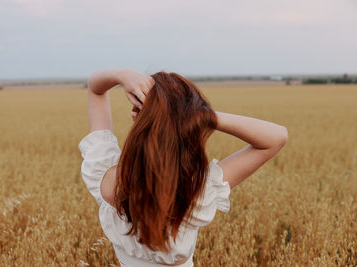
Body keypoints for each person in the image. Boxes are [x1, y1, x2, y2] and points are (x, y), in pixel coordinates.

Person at [78, 68, 288, 266]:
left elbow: (96, 89)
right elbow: (276, 137)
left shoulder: (105, 177)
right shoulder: (196, 193)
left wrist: (122, 75)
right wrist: (206, 116)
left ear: (136, 115)